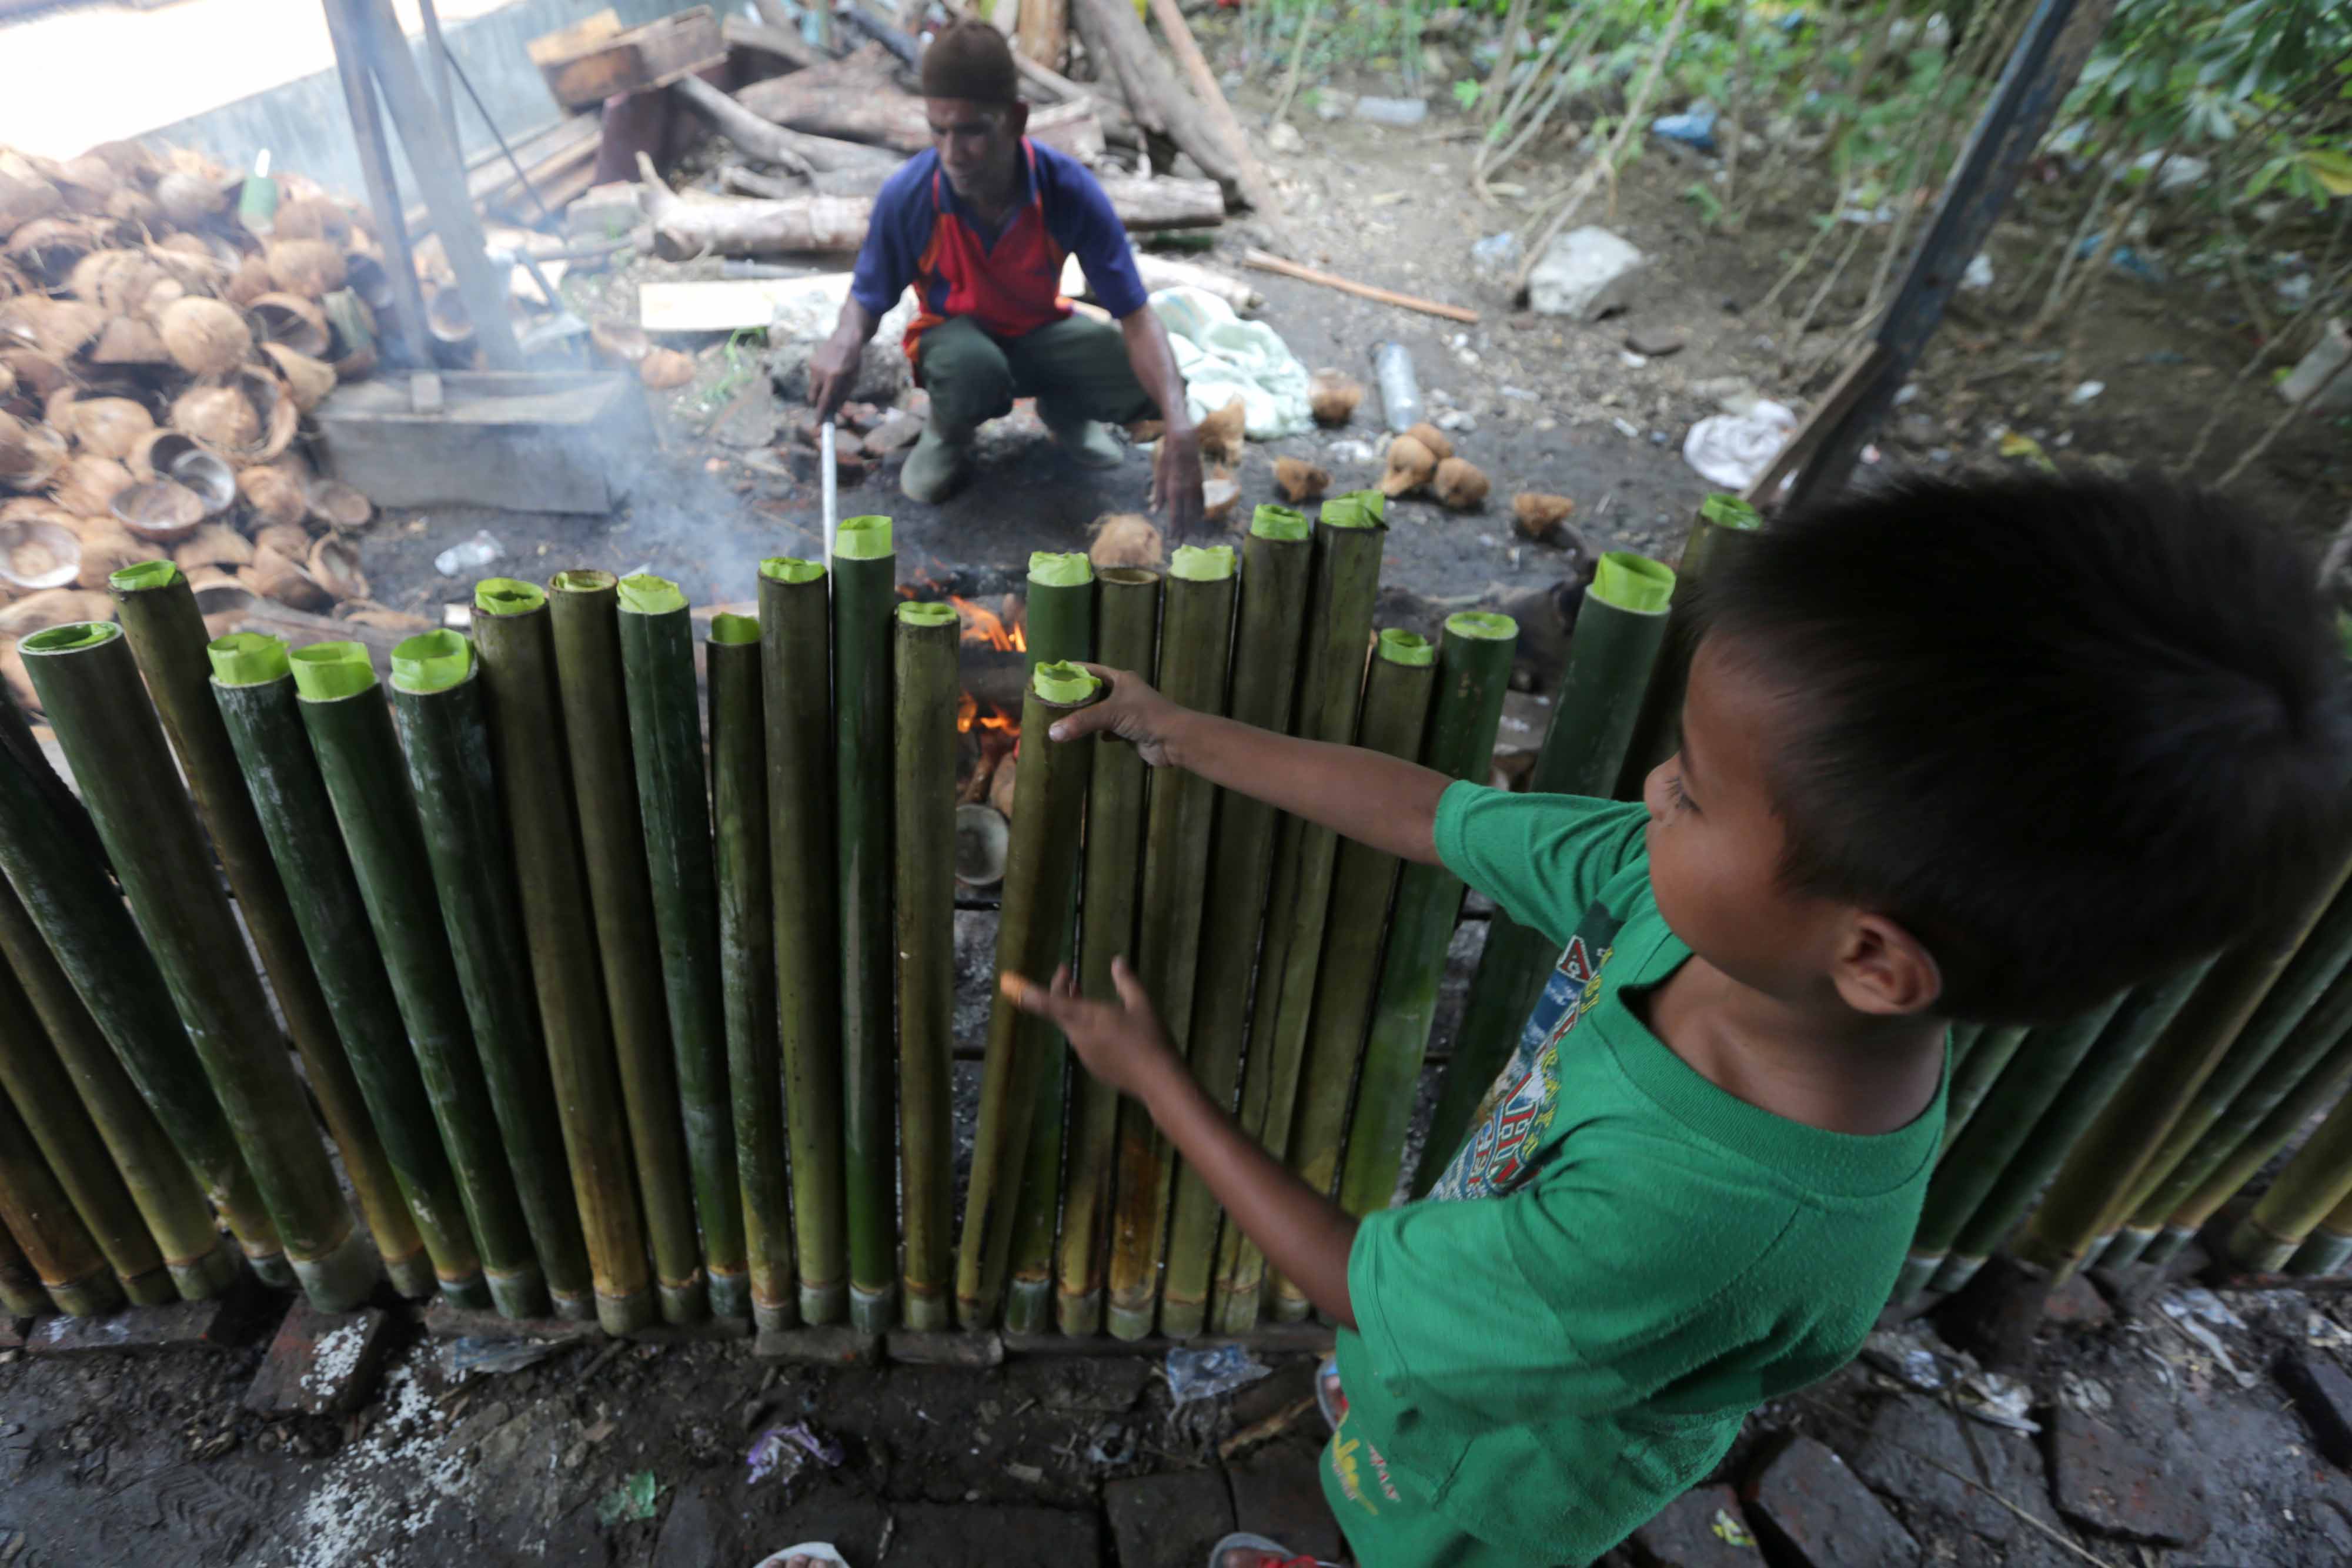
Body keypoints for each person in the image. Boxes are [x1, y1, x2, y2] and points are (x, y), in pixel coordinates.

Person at [1005, 472, 2352, 1568]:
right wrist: (1180, 730)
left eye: (1697, 791)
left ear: (1875, 959)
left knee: (1411, 1540)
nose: (1652, 788)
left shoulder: (1699, 1225)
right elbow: (1436, 815)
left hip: (1505, 1478)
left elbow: (1355, 1281)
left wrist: (1153, 1079)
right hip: (1465, 1348)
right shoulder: (1734, 924)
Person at [806, 19, 1202, 533]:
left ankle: (1066, 412)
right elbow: (867, 297)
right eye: (939, 130)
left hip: (1041, 332)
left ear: (1015, 120)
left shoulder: (1068, 190)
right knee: (974, 369)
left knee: (1152, 380)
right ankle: (948, 433)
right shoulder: (909, 195)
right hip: (956, 342)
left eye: (972, 131)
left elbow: (1136, 315)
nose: (952, 154)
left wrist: (1179, 422)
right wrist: (844, 339)